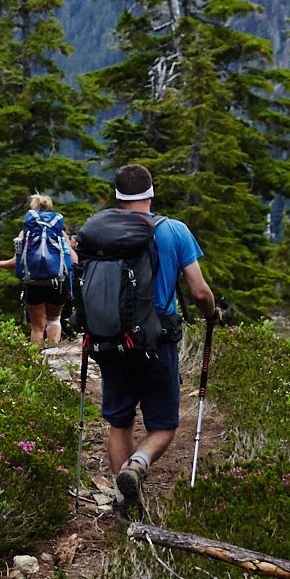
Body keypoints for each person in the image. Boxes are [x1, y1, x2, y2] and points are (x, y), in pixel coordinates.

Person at [78, 164, 219, 516]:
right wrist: (211, 314)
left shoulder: (100, 233)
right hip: (158, 342)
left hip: (110, 340)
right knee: (164, 425)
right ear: (151, 193)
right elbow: (199, 291)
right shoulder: (174, 230)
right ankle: (137, 465)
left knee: (119, 421)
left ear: (117, 197)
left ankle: (122, 499)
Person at [0, 193, 71, 350]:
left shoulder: (25, 233)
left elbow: (17, 261)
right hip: (57, 282)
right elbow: (72, 260)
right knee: (54, 321)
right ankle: (54, 358)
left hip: (33, 283)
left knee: (37, 327)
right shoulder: (59, 232)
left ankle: (37, 362)